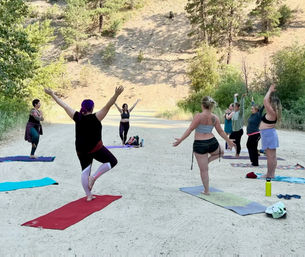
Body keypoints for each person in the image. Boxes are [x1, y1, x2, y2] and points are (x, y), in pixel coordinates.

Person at [44, 86, 124, 201]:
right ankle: (94, 178)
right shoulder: (96, 117)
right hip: (95, 148)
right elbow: (108, 105)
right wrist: (116, 94)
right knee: (112, 161)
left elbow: (64, 105)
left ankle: (89, 196)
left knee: (85, 170)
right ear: (92, 108)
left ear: (82, 107)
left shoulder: (77, 116)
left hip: (81, 149)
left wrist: (52, 94)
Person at [173, 96, 235, 195]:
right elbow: (221, 132)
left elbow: (190, 130)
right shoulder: (214, 117)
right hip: (212, 141)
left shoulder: (198, 116)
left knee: (204, 170)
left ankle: (206, 191)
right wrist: (228, 141)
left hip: (200, 143)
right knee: (221, 152)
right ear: (211, 106)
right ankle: (207, 163)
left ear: (202, 105)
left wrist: (181, 140)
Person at [259, 84, 281, 178]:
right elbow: (266, 101)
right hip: (269, 134)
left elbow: (265, 100)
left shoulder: (271, 112)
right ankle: (272, 174)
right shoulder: (274, 112)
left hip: (268, 134)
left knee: (270, 156)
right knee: (272, 156)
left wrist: (269, 90)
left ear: (272, 104)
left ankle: (269, 174)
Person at [246, 96, 264, 166]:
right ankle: (254, 161)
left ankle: (255, 162)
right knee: (251, 146)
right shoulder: (252, 114)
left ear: (256, 110)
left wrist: (265, 103)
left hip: (256, 134)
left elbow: (262, 109)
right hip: (251, 134)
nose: (251, 109)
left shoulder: (258, 115)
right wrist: (252, 101)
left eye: (252, 109)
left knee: (251, 146)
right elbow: (253, 105)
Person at [230, 93, 244, 157]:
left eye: (235, 107)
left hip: (239, 131)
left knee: (237, 142)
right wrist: (235, 97)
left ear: (238, 108)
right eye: (234, 107)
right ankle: (235, 150)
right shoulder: (234, 113)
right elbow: (235, 102)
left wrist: (242, 98)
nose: (234, 107)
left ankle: (237, 153)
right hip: (234, 130)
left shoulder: (240, 113)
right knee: (231, 139)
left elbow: (242, 107)